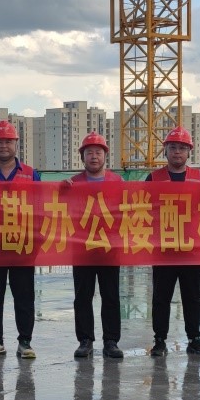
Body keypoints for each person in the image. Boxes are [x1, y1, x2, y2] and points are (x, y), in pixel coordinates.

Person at [0, 120, 41, 360]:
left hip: (23, 244)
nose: (4, 146)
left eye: (8, 141)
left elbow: (42, 207)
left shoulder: (31, 174)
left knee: (24, 296)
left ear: (16, 144)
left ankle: (25, 342)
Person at [146, 126, 200, 358]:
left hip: (192, 248)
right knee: (161, 297)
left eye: (182, 148)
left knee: (192, 296)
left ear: (189, 152)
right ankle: (159, 340)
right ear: (165, 150)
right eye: (173, 147)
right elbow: (141, 207)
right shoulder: (153, 178)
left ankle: (194, 339)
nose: (177, 152)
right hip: (163, 248)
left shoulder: (199, 178)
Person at [68, 131, 124, 359]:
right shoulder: (73, 183)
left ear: (105, 156)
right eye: (89, 152)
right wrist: (60, 190)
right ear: (82, 156)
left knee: (111, 296)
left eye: (98, 152)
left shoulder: (117, 182)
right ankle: (85, 340)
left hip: (109, 248)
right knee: (83, 296)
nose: (94, 156)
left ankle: (111, 341)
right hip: (82, 248)